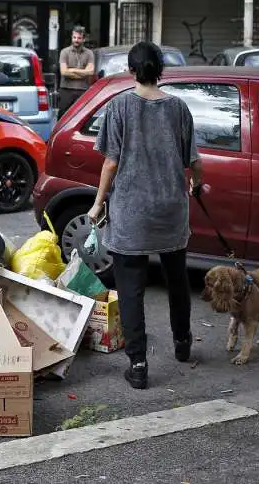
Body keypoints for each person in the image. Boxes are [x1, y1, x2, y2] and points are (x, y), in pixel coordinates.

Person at [87, 41, 204, 390]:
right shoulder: (179, 108)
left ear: (132, 70)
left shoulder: (119, 106)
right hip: (171, 210)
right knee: (177, 279)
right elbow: (194, 162)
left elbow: (111, 162)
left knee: (131, 288)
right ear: (161, 70)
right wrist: (197, 184)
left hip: (132, 213)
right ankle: (182, 343)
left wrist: (97, 203)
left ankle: (138, 365)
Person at [58, 26, 95, 116]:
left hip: (83, 90)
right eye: (74, 37)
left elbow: (90, 72)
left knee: (82, 116)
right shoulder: (64, 52)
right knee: (63, 116)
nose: (76, 40)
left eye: (79, 38)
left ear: (83, 39)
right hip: (66, 90)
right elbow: (64, 72)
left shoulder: (89, 53)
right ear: (71, 37)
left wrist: (72, 70)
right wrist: (83, 73)